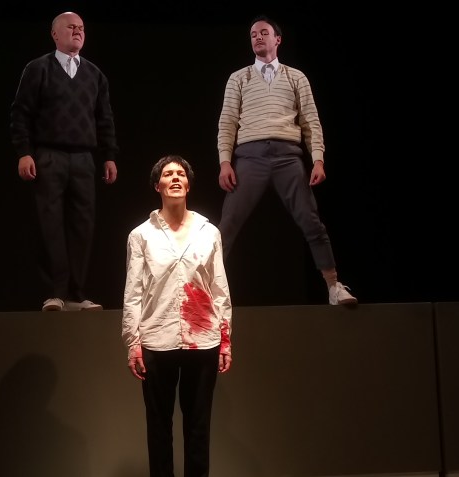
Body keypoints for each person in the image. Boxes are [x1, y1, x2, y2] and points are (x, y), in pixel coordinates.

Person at [217, 14, 357, 306]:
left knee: (311, 220)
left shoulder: (296, 77)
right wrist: (225, 162)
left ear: (277, 39)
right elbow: (227, 122)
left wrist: (318, 159)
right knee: (227, 225)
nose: (257, 37)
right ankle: (206, 292)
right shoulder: (239, 78)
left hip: (287, 156)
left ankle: (334, 286)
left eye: (263, 32)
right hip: (250, 157)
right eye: (253, 34)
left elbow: (310, 121)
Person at [122, 155, 232, 477]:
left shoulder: (209, 232)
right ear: (157, 185)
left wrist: (225, 339)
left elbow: (220, 288)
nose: (175, 178)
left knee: (199, 426)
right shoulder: (141, 235)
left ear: (188, 184)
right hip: (157, 339)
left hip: (204, 339)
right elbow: (133, 292)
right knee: (159, 427)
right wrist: (132, 342)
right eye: (168, 174)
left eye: (180, 174)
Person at [10, 11, 119, 312]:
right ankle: (55, 292)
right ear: (55, 34)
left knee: (83, 225)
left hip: (84, 158)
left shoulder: (95, 74)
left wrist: (109, 156)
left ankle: (76, 293)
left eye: (81, 28)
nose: (78, 31)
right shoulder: (38, 68)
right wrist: (24, 151)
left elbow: (105, 119)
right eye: (71, 27)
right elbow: (20, 113)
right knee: (50, 224)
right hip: (48, 155)